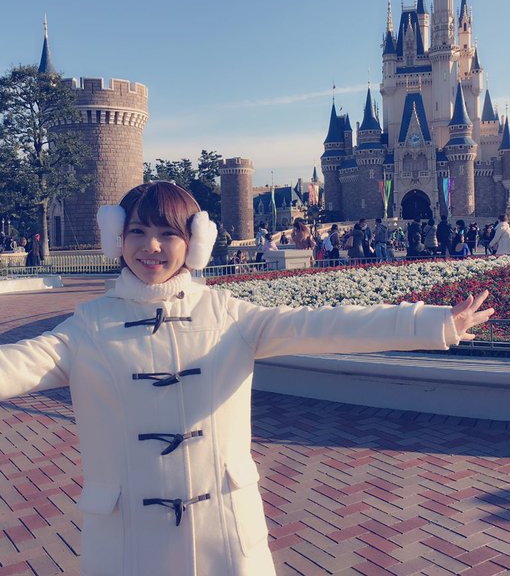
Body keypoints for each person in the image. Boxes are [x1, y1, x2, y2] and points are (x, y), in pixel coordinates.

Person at [0, 181, 494, 576]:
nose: (151, 246)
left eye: (168, 233)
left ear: (194, 242)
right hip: (127, 537)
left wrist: (430, 322)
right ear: (116, 238)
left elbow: (323, 325)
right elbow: (18, 363)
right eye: (137, 231)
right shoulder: (88, 327)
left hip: (222, 529)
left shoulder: (228, 315)